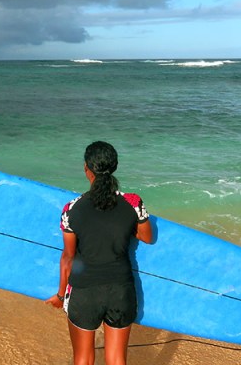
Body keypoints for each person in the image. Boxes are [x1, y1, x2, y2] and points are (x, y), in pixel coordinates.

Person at [45, 141, 154, 365]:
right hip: (120, 291)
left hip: (84, 292)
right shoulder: (133, 202)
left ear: (87, 168)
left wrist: (60, 294)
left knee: (83, 359)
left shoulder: (71, 208)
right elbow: (147, 236)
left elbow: (68, 257)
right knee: (116, 360)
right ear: (114, 167)